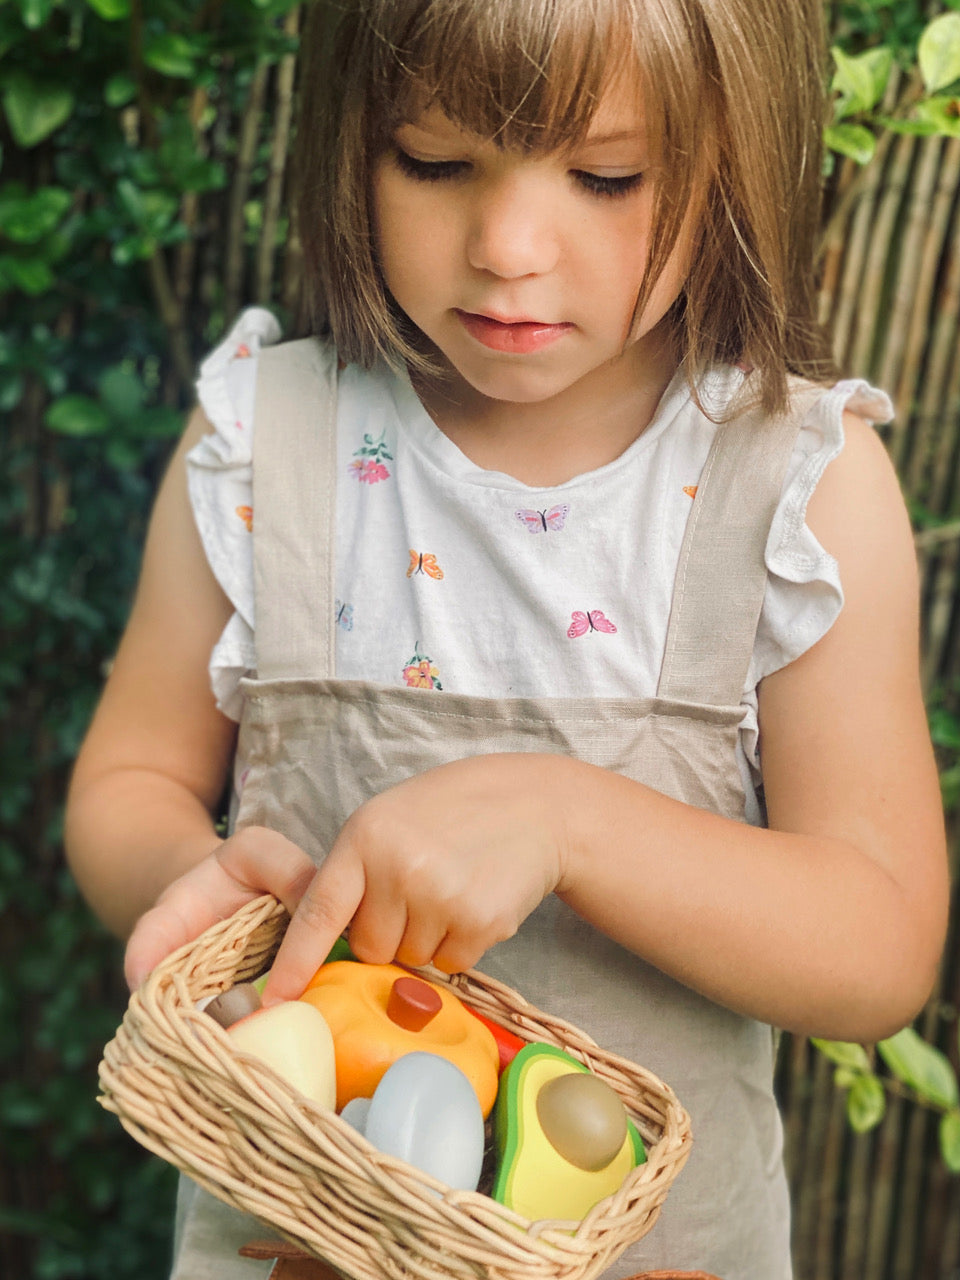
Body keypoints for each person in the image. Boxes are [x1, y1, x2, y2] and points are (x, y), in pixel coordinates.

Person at [65, 0, 949, 1276]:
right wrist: (184, 874)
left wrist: (569, 820)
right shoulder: (268, 446)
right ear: (351, 139)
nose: (509, 246)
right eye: (432, 160)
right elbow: (127, 781)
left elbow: (878, 944)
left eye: (605, 177)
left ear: (733, 154)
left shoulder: (797, 487)